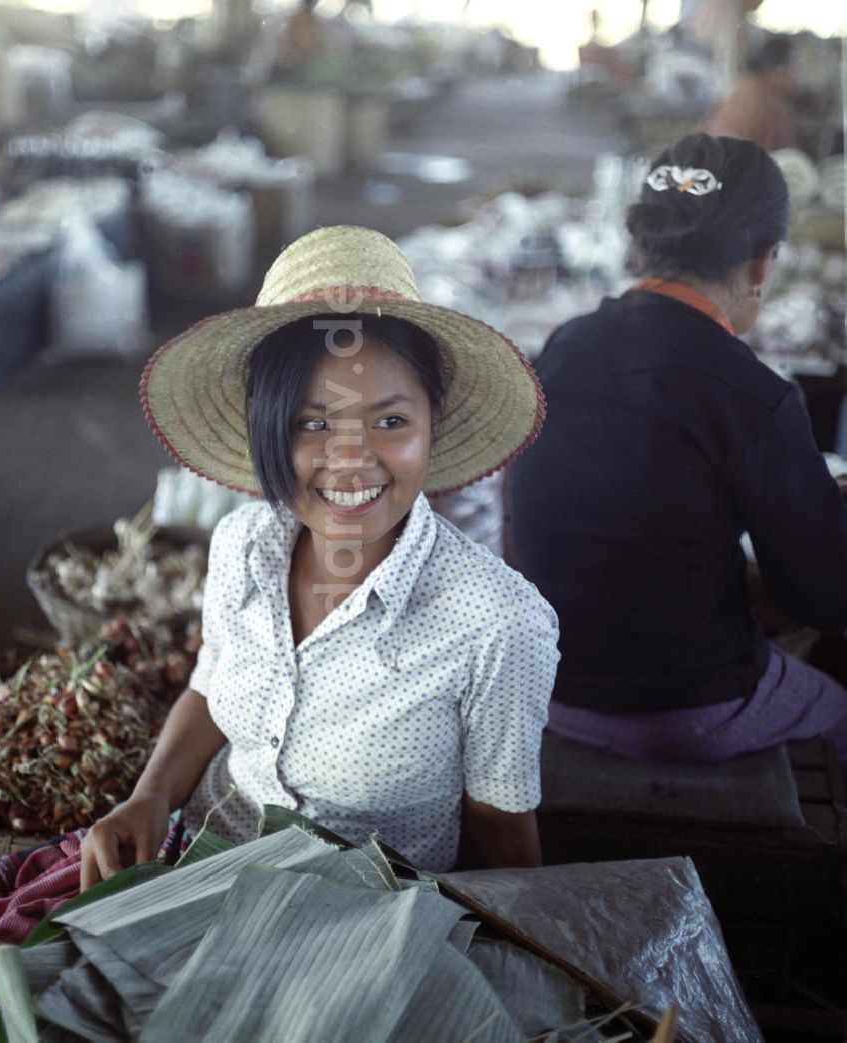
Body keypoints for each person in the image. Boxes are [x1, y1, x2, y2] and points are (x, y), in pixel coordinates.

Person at [83, 224, 558, 888]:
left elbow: (504, 838)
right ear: (266, 425)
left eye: (390, 421)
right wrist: (152, 796)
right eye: (313, 422)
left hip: (357, 931)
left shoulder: (498, 624)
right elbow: (210, 683)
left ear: (434, 424)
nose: (351, 458)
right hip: (192, 868)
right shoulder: (242, 543)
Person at [507, 133, 847, 769]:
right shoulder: (754, 393)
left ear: (640, 245)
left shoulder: (563, 346)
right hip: (681, 707)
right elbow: (821, 600)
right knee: (836, 710)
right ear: (762, 264)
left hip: (546, 688)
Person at [704, 34, 796, 152]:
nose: (796, 76)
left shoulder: (745, 85)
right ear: (779, 69)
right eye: (794, 67)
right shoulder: (766, 99)